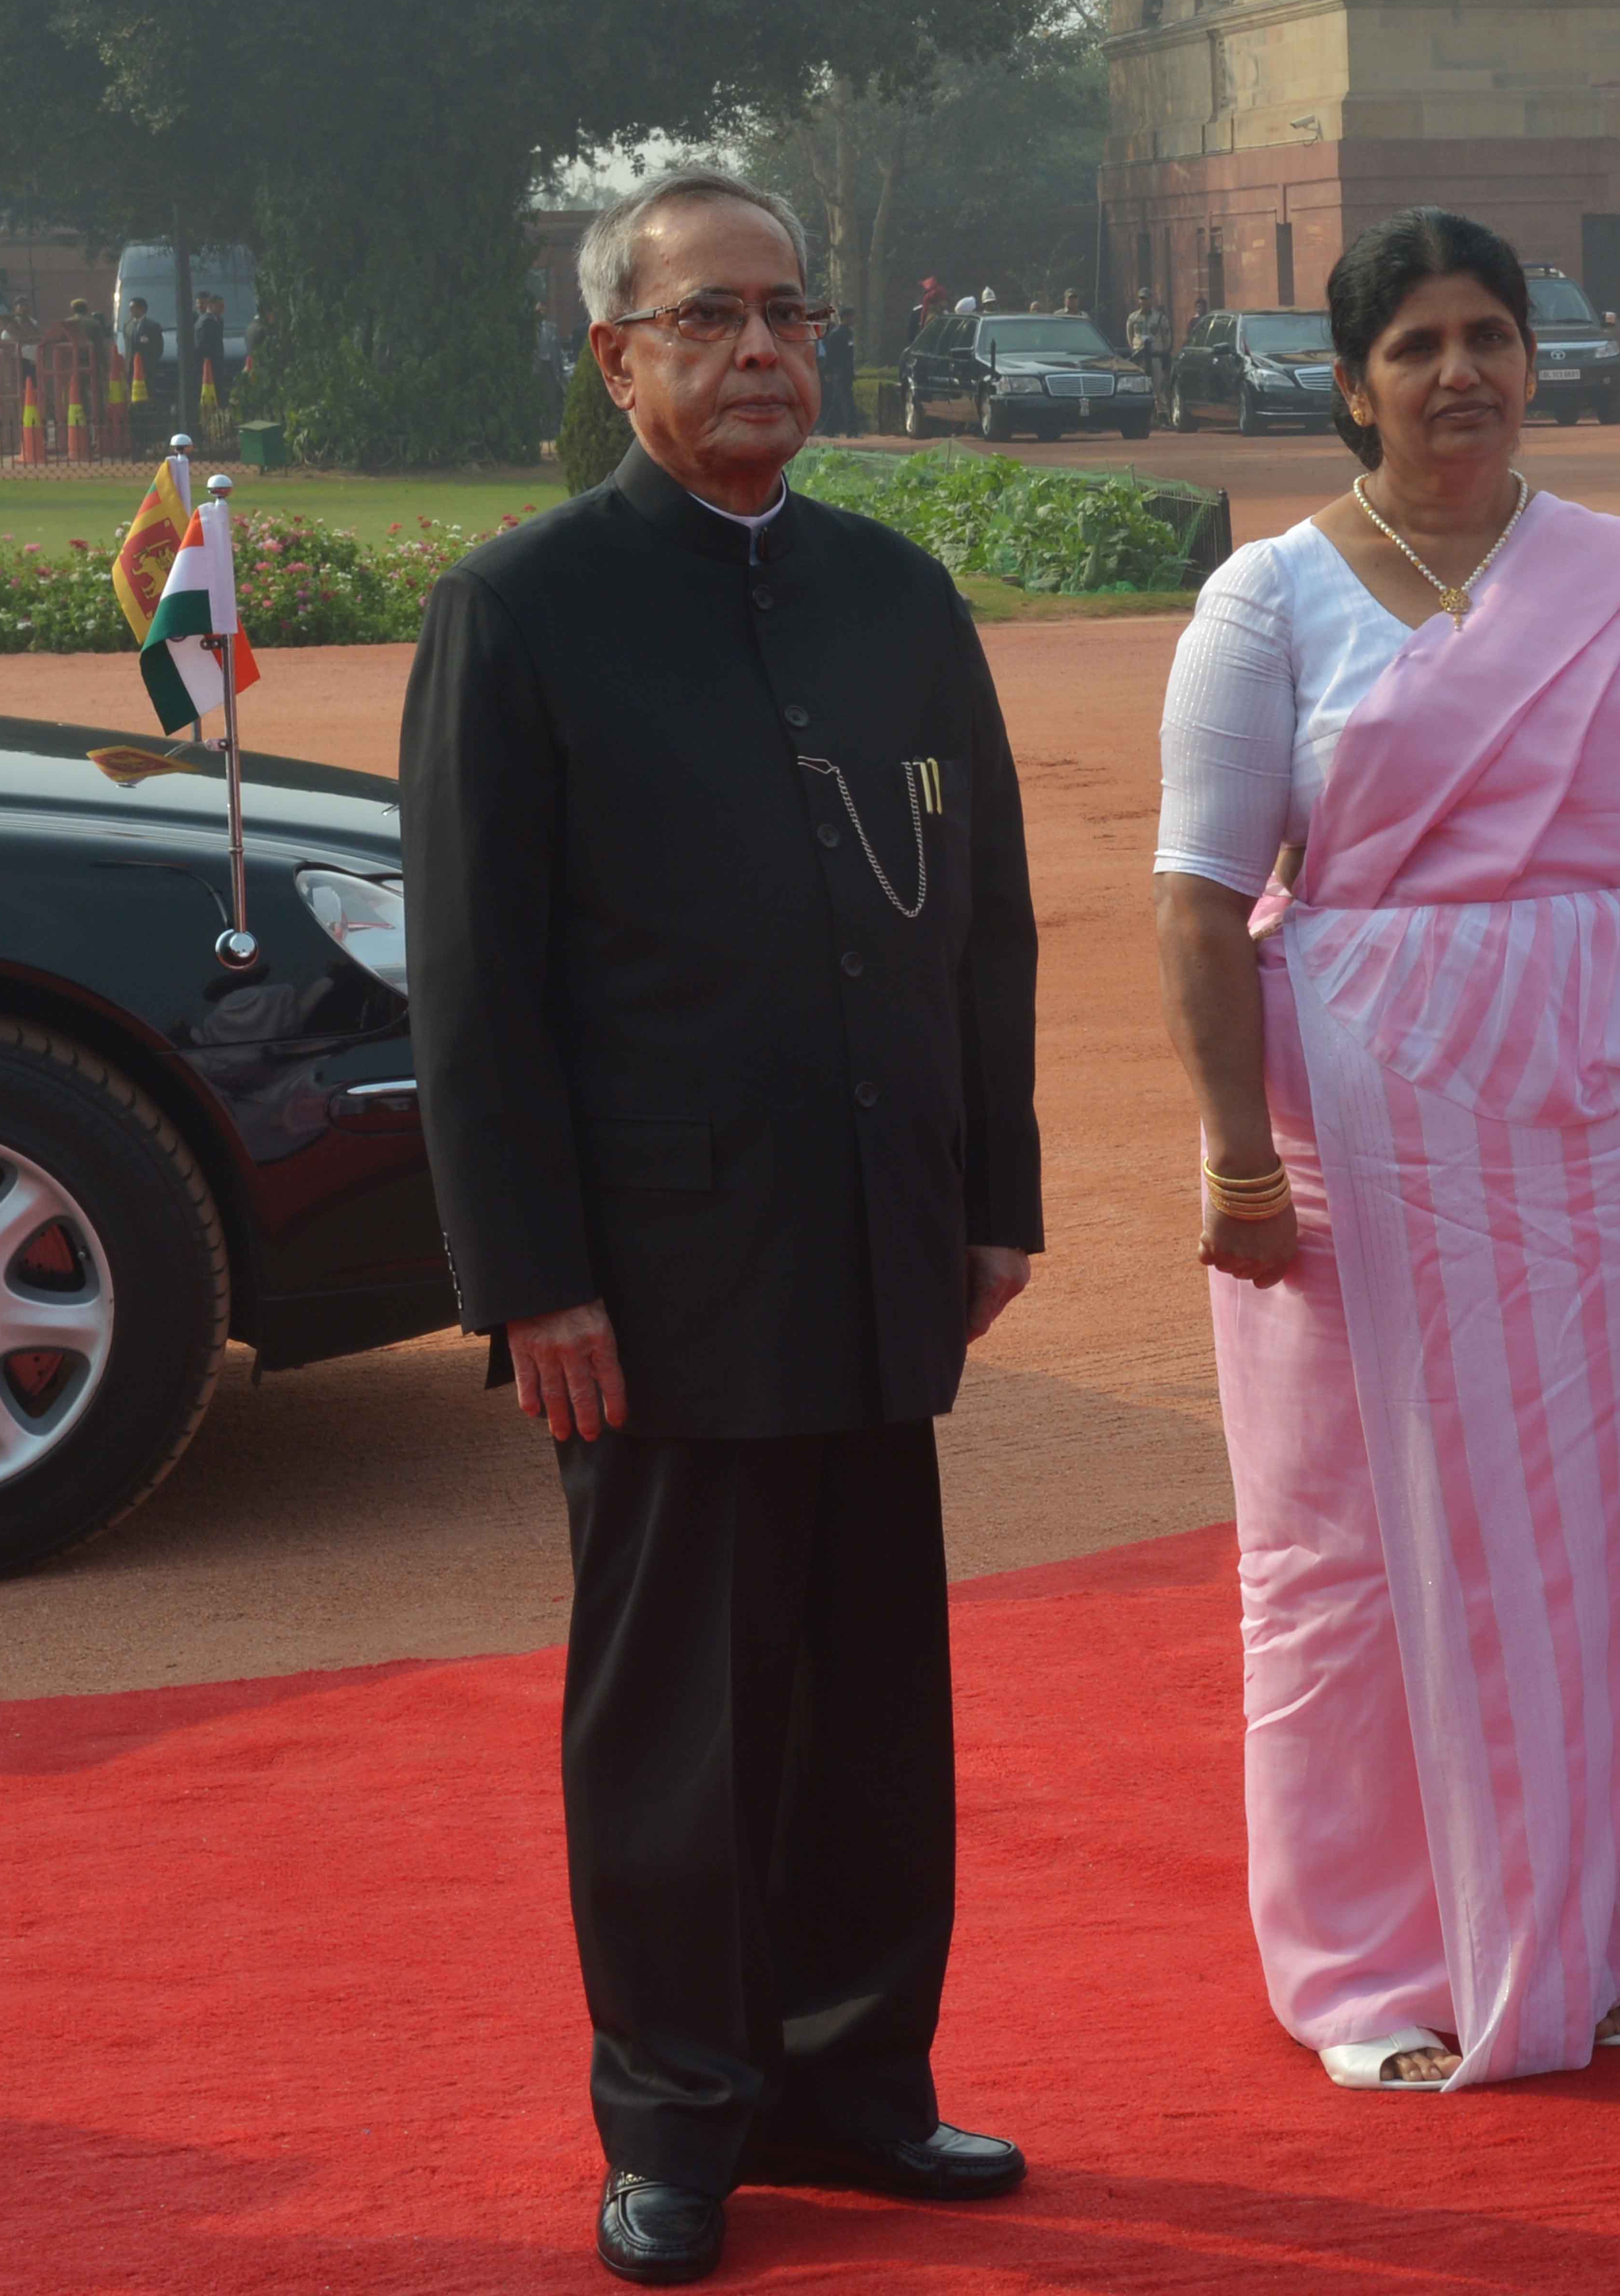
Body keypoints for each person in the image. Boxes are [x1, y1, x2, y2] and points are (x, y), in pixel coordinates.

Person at [400, 164, 1041, 2286]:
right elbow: (479, 984)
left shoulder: (894, 598)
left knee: (873, 1695)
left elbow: (977, 918)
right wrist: (531, 1277)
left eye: (788, 312)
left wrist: (993, 1190)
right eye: (707, 319)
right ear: (618, 355)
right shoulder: (527, 610)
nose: (763, 349)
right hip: (654, 1276)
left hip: (877, 1235)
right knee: (675, 1718)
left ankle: (858, 2083)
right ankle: (678, 2119)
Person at [1154, 205, 1620, 2094]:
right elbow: (1199, 891)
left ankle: (1586, 1914)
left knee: (1583, 1524)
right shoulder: (1268, 599)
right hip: (1353, 1115)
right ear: (1347, 381)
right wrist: (1234, 1148)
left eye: (1491, 333)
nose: (1459, 370)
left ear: (1536, 363)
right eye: (1416, 343)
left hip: (1596, 1088)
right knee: (1343, 1537)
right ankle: (1374, 1953)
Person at [818, 307, 857, 434]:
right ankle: (852, 430)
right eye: (851, 317)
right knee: (847, 401)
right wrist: (828, 372)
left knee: (838, 402)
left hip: (846, 372)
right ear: (845, 317)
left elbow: (850, 355)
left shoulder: (849, 333)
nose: (853, 319)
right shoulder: (836, 335)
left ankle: (829, 429)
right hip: (839, 373)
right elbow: (831, 355)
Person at [1126, 286, 1174, 386]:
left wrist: (1164, 353)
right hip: (1140, 357)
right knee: (1139, 386)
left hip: (1155, 357)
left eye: (1146, 299)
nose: (1144, 301)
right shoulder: (1133, 318)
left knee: (1157, 385)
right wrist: (1134, 349)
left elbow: (1166, 337)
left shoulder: (1160, 318)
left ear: (1151, 300)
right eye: (1141, 299)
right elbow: (1130, 336)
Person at [191, 292, 229, 406]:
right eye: (220, 306)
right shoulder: (206, 322)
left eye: (223, 306)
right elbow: (201, 347)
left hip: (217, 365)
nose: (223, 309)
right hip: (209, 367)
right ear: (211, 306)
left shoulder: (218, 320)